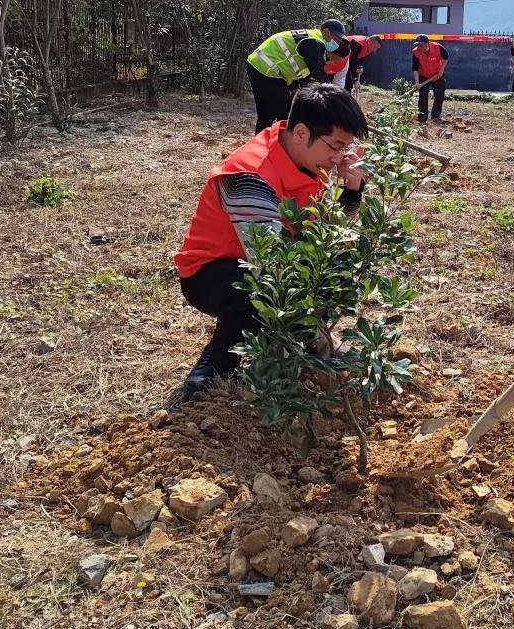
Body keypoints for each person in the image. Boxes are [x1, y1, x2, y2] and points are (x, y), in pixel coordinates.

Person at [169, 83, 369, 407]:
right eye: (335, 145)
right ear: (301, 133)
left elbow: (327, 236)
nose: (340, 156)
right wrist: (321, 340)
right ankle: (210, 372)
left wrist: (352, 191)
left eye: (346, 147)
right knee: (259, 292)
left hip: (262, 263)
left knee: (322, 273)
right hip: (211, 273)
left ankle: (298, 352)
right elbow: (273, 266)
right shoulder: (252, 175)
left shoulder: (304, 159)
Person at [245, 20, 352, 132]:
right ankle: (280, 144)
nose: (332, 63)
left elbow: (305, 77)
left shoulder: (314, 39)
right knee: (284, 112)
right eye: (336, 38)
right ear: (326, 32)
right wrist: (337, 101)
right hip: (266, 68)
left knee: (267, 113)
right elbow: (320, 78)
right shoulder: (315, 44)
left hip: (259, 65)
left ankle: (261, 144)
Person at [411, 34, 450, 122]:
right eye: (419, 45)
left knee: (439, 95)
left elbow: (445, 58)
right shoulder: (416, 52)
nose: (421, 47)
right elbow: (415, 69)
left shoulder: (438, 47)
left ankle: (435, 116)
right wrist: (417, 83)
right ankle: (422, 117)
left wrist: (441, 70)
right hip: (423, 75)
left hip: (437, 75)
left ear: (427, 43)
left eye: (423, 44)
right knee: (423, 95)